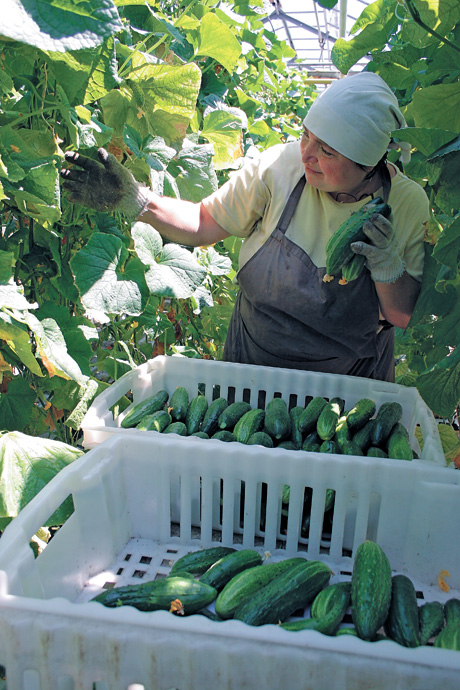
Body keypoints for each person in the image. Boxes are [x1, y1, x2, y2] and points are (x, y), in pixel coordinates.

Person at [61, 72, 429, 382]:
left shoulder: (407, 203)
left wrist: (388, 267)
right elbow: (204, 223)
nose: (307, 154)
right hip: (250, 367)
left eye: (327, 151)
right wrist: (138, 201)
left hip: (347, 389)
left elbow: (400, 316)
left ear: (367, 163)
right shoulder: (280, 168)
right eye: (306, 135)